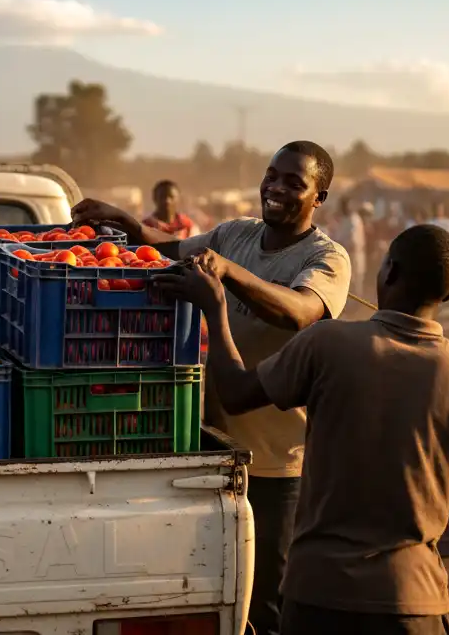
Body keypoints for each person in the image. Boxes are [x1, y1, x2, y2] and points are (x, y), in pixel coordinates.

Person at [161, 224, 449, 635]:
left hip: (319, 594)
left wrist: (215, 309)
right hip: (413, 600)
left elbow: (234, 393)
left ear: (387, 272)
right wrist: (416, 466)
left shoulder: (327, 344)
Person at [73, 141, 351, 635]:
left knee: (264, 599)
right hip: (213, 446)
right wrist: (127, 223)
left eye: (294, 182)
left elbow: (300, 312)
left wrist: (223, 277)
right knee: (212, 590)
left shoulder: (326, 258)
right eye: (272, 175)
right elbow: (168, 248)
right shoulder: (235, 234)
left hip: (277, 464)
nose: (276, 188)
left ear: (319, 197)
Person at [330, 197, 368, 297]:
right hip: (345, 254)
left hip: (353, 255)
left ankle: (355, 307)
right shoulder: (344, 219)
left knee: (355, 281)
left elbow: (353, 242)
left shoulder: (353, 220)